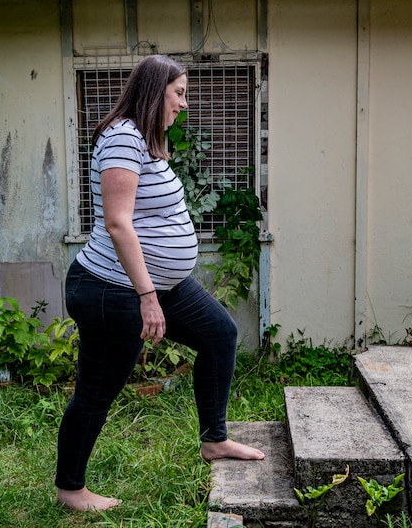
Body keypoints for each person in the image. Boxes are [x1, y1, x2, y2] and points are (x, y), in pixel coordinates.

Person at [55, 54, 265, 512]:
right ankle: (71, 490)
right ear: (156, 92)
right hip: (112, 288)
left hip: (159, 284)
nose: (184, 105)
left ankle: (214, 440)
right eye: (180, 93)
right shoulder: (122, 139)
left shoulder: (145, 140)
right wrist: (148, 296)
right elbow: (117, 224)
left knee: (219, 335)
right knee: (97, 389)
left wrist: (157, 286)